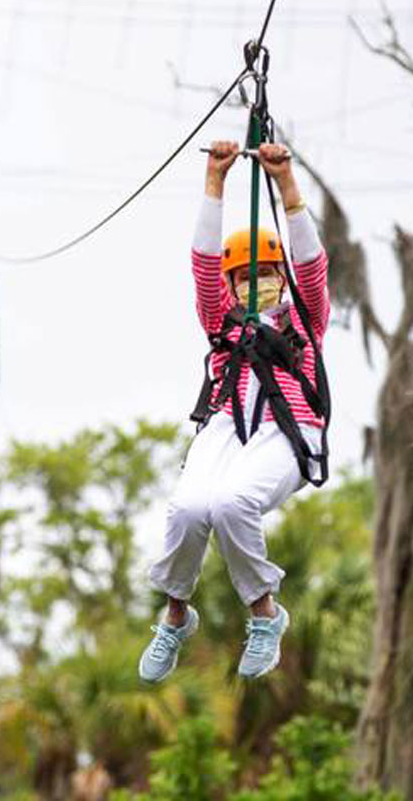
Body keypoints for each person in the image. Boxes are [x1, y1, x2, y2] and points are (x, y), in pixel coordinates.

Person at [139, 140, 330, 683]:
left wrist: (286, 183)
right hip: (228, 427)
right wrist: (214, 182)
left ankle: (265, 615)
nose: (257, 284)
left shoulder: (304, 323)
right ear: (232, 285)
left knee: (232, 504)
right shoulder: (224, 327)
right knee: (188, 508)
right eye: (245, 277)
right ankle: (176, 614)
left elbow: (312, 265)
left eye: (267, 273)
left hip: (288, 432)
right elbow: (203, 266)